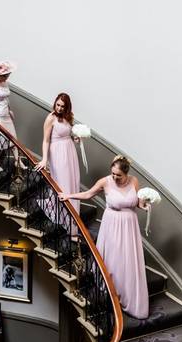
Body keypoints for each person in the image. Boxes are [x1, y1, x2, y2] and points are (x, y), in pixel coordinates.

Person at [59, 155, 149, 319]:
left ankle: (129, 296)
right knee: (114, 260)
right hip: (112, 226)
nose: (115, 177)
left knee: (128, 260)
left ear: (126, 173)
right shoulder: (105, 182)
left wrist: (144, 206)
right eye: (113, 173)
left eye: (118, 175)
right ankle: (113, 294)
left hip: (130, 227)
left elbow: (137, 202)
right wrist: (69, 196)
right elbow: (88, 194)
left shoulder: (134, 181)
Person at [34, 93, 81, 222]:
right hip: (57, 153)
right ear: (55, 103)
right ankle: (63, 218)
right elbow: (46, 140)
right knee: (62, 183)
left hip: (70, 152)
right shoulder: (50, 118)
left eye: (62, 106)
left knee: (72, 182)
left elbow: (69, 134)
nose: (59, 108)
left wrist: (76, 138)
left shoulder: (69, 117)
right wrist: (44, 159)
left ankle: (72, 219)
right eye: (58, 105)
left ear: (67, 107)